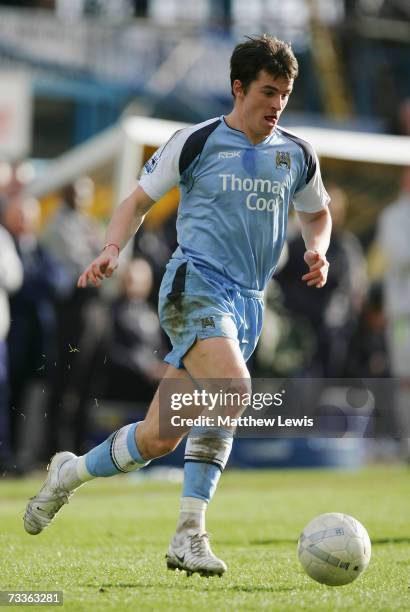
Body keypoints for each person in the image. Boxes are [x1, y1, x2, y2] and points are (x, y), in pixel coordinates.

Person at [24, 35, 332, 577]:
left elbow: (318, 213)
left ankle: (67, 475)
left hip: (249, 305)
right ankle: (190, 533)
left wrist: (317, 249)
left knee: (157, 436)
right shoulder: (196, 141)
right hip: (196, 286)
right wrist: (112, 249)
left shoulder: (297, 154)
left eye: (283, 93)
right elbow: (136, 202)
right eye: (266, 91)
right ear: (238, 88)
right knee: (233, 389)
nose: (276, 104)